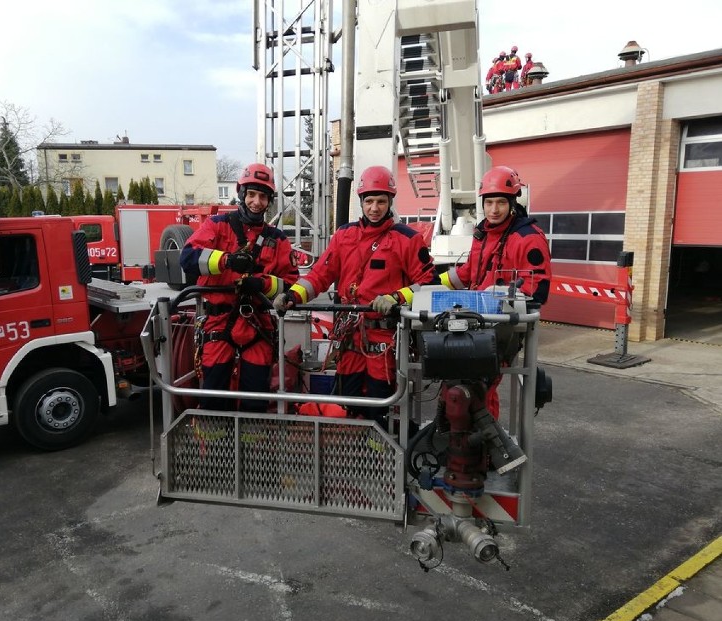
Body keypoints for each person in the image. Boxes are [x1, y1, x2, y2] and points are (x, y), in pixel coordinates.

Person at [273, 165, 435, 426]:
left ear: (390, 201)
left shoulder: (407, 240)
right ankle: (356, 457)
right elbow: (319, 276)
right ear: (361, 202)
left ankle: (382, 458)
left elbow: (428, 283)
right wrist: (293, 295)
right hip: (348, 340)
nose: (374, 208)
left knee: (381, 405)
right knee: (349, 402)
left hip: (383, 339)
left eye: (381, 201)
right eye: (369, 201)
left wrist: (396, 298)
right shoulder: (344, 236)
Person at [180, 163, 299, 412]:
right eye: (252, 194)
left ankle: (251, 449)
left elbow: (291, 284)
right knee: (213, 398)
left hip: (257, 325)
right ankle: (214, 449)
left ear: (269, 201)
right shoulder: (217, 226)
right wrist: (226, 260)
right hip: (219, 323)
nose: (256, 202)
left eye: (263, 196)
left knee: (255, 399)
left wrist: (263, 284)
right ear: (241, 194)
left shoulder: (277, 239)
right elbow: (188, 258)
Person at [438, 165, 552, 417]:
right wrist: (432, 284)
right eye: (489, 203)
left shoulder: (527, 238)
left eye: (501, 202)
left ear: (512, 202)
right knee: (454, 383)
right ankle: (460, 442)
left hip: (502, 326)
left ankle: (485, 450)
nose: (494, 209)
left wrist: (496, 294)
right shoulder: (484, 233)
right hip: (475, 320)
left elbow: (538, 289)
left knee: (478, 389)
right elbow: (469, 273)